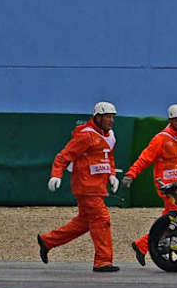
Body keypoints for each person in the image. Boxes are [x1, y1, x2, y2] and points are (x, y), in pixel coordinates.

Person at [37, 101, 121, 272]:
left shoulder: (110, 136)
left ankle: (48, 241)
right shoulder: (86, 135)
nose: (111, 120)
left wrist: (112, 175)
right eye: (107, 117)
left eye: (113, 117)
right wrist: (56, 175)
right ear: (98, 117)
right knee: (102, 219)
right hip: (86, 186)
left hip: (98, 187)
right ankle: (103, 261)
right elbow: (63, 156)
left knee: (84, 222)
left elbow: (109, 157)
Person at [121, 104, 177, 266]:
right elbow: (145, 158)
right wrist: (130, 174)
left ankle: (142, 245)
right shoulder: (161, 139)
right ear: (170, 120)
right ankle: (152, 246)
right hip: (167, 185)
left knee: (172, 217)